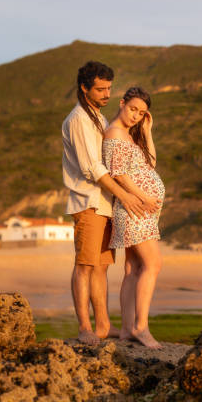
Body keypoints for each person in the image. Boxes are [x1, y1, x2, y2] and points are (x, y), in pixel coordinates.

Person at [62, 62, 145, 345]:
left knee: (101, 267)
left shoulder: (97, 117)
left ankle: (103, 326)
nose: (106, 93)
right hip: (88, 203)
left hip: (105, 205)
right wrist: (125, 195)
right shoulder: (79, 120)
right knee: (84, 265)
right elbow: (92, 169)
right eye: (100, 89)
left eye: (109, 88)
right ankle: (85, 327)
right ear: (84, 88)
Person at [102, 86, 165, 349]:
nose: (135, 116)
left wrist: (148, 132)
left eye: (141, 113)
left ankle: (128, 329)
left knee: (132, 269)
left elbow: (150, 164)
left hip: (139, 210)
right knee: (153, 265)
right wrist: (144, 198)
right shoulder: (116, 133)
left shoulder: (129, 135)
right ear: (121, 103)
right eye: (132, 109)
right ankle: (141, 326)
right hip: (134, 209)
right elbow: (118, 174)